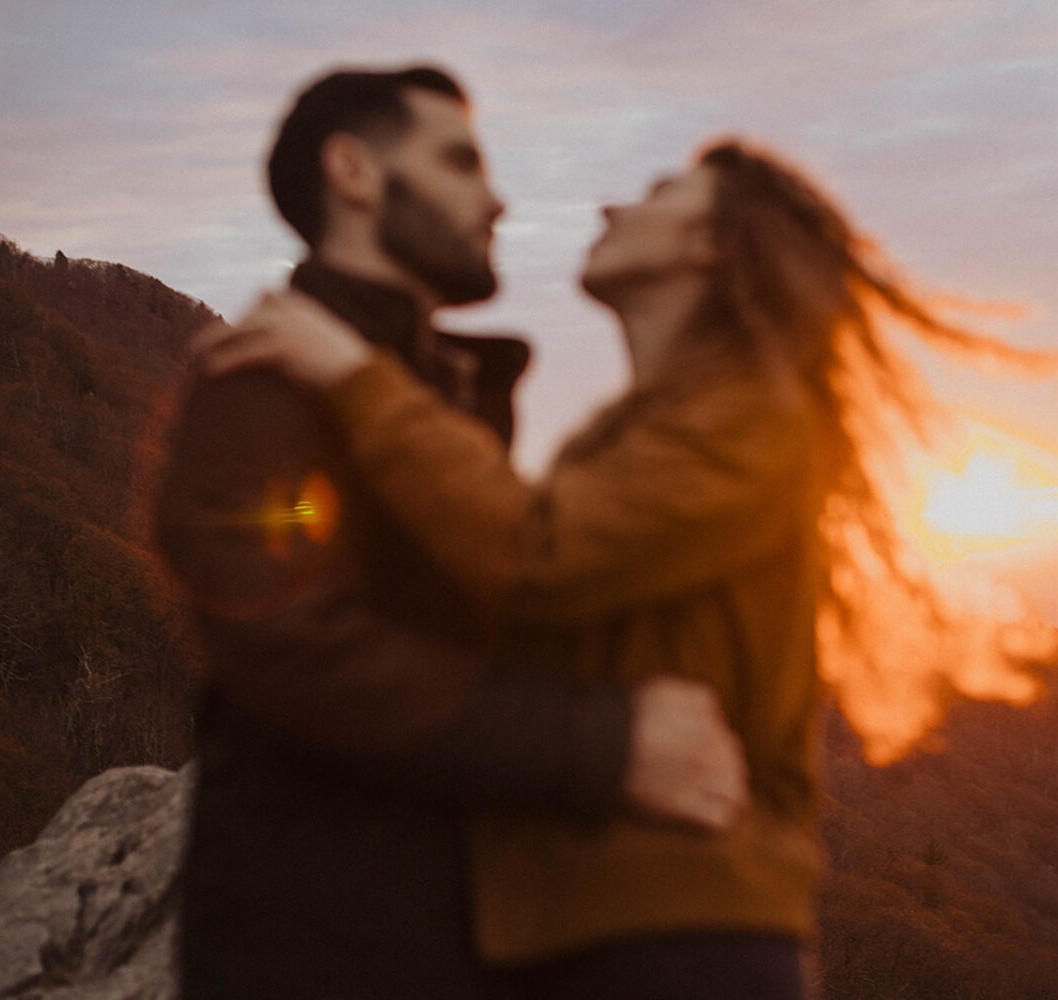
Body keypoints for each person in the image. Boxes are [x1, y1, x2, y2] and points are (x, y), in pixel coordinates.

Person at [198, 137, 1058, 998]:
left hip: (678, 938)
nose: (615, 205)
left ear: (709, 246)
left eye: (660, 192)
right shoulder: (645, 433)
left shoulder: (752, 420)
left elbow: (538, 555)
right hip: (605, 929)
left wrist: (354, 373)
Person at [154, 66, 751, 1000]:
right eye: (459, 161)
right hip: (316, 953)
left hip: (448, 940)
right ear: (353, 173)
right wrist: (604, 744)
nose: (496, 197)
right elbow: (289, 641)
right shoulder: (264, 380)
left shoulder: (441, 389)